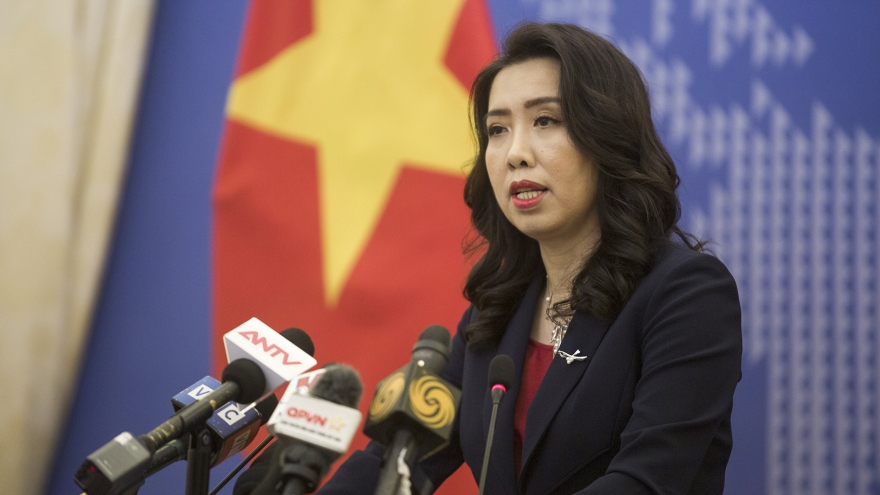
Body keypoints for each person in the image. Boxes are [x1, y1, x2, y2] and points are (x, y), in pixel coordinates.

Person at [244, 22, 742, 495]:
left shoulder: (686, 293)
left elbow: (645, 482)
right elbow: (398, 460)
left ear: (608, 139)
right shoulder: (497, 315)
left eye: (545, 121)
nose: (514, 153)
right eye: (497, 129)